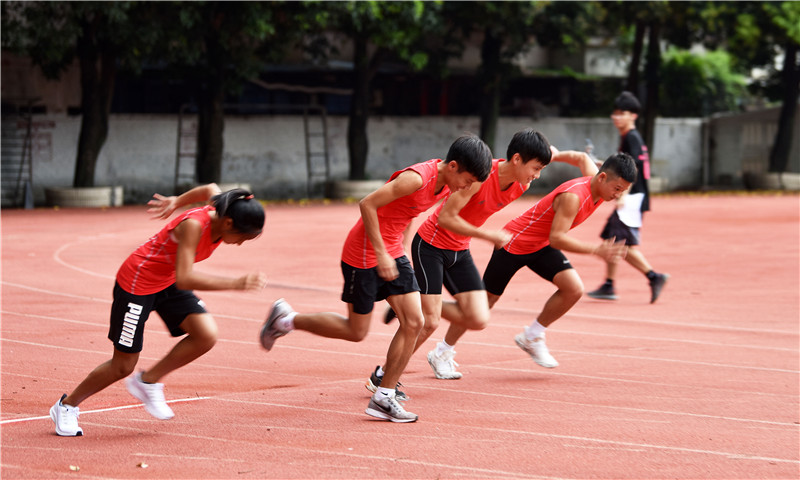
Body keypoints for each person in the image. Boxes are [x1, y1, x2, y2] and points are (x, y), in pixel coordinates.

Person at [259, 134, 492, 423]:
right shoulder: (417, 179)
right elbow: (367, 204)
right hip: (364, 253)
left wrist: (400, 251)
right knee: (356, 331)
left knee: (416, 321)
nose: (467, 187)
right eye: (467, 180)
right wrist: (382, 253)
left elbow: (405, 214)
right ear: (453, 166)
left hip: (393, 251)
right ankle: (286, 319)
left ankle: (384, 395)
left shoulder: (445, 185)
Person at [50, 184, 267, 437]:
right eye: (243, 237)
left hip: (167, 281)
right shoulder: (194, 226)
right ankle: (66, 406)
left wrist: (176, 201)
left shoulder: (222, 206)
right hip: (137, 284)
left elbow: (209, 188)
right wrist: (236, 283)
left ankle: (148, 381)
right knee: (123, 365)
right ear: (229, 223)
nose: (241, 244)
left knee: (205, 335)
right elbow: (186, 278)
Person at [427, 151, 635, 371]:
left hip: (540, 245)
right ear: (602, 178)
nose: (618, 195)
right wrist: (596, 250)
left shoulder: (598, 181)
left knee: (573, 288)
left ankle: (532, 336)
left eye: (622, 191)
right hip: (513, 243)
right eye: (617, 189)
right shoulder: (573, 197)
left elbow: (582, 157)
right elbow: (558, 238)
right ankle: (441, 351)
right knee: (484, 304)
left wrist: (554, 155)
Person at [381, 129, 553, 380]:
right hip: (431, 246)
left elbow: (549, 156)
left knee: (478, 318)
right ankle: (384, 376)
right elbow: (445, 217)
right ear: (517, 159)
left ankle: (415, 303)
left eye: (540, 170)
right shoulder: (481, 177)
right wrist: (488, 236)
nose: (536, 176)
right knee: (429, 322)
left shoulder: (522, 184)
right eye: (535, 168)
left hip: (460, 250)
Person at [587, 91, 669, 303]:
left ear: (633, 115)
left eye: (621, 113)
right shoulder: (629, 138)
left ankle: (653, 276)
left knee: (620, 242)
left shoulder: (631, 137)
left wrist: (624, 194)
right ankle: (609, 284)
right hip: (634, 197)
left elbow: (634, 170)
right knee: (613, 239)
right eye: (614, 113)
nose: (616, 117)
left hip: (633, 198)